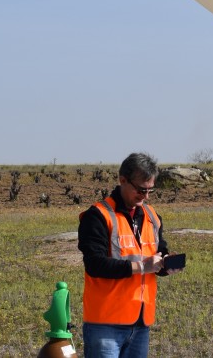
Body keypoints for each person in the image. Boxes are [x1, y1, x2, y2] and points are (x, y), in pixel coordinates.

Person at [77, 152, 182, 358]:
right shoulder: (97, 216)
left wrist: (166, 264)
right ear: (122, 180)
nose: (146, 197)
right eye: (141, 190)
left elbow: (159, 251)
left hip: (141, 323)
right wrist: (143, 267)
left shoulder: (152, 216)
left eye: (150, 190)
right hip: (105, 324)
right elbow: (95, 264)